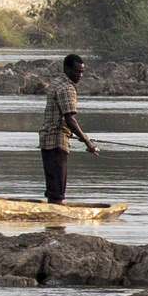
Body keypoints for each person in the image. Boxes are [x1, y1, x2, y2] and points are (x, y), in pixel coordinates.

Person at [40, 54, 99, 203]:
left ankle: (53, 220)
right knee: (58, 191)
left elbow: (60, 118)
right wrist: (87, 142)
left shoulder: (56, 83)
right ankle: (56, 222)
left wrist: (73, 133)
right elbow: (70, 119)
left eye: (82, 72)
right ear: (67, 69)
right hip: (57, 142)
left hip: (48, 139)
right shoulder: (67, 88)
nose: (79, 75)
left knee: (53, 188)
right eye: (76, 71)